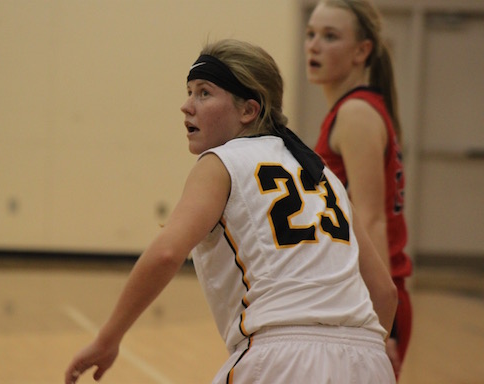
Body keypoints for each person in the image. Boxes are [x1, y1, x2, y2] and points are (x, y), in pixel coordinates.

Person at [65, 38, 397, 384]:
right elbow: (384, 294)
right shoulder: (323, 174)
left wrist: (108, 338)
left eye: (204, 93)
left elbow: (165, 253)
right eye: (189, 91)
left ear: (248, 111)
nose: (186, 106)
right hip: (368, 360)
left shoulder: (222, 162)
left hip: (281, 357)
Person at [304, 0, 414, 379]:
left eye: (330, 36)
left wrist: (384, 328)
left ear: (362, 51)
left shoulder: (356, 114)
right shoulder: (356, 109)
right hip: (360, 293)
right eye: (311, 34)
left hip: (371, 295)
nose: (314, 45)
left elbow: (371, 219)